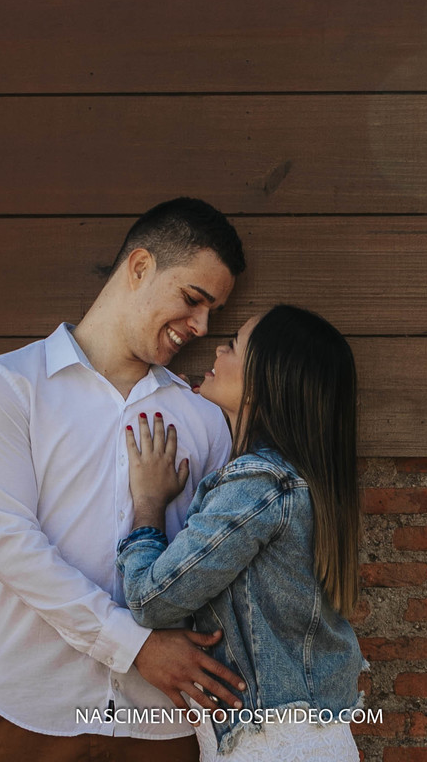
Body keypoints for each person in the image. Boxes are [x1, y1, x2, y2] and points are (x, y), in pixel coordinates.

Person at [0, 198, 249, 762]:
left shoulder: (203, 418)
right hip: (31, 717)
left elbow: (216, 564)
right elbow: (10, 548)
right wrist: (134, 646)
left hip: (162, 724)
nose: (202, 327)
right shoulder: (9, 387)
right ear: (140, 267)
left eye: (214, 312)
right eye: (193, 300)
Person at [116, 304, 364, 762]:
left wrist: (149, 505)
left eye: (233, 345)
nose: (216, 348)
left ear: (267, 379)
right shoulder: (301, 482)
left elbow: (151, 598)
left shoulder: (260, 484)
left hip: (274, 748)